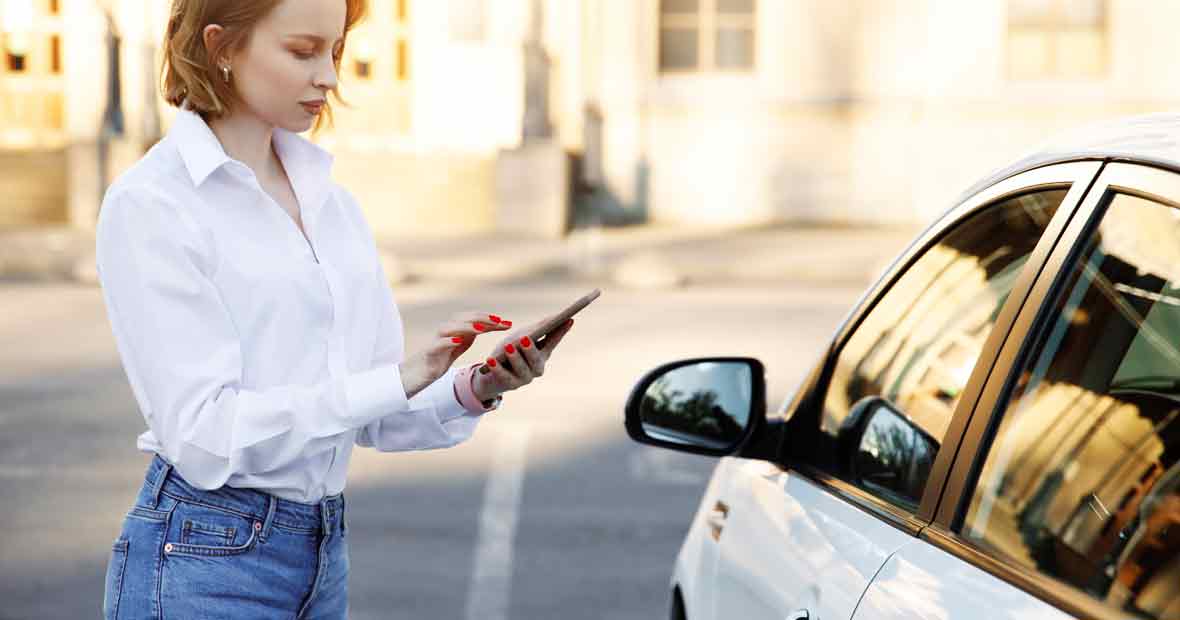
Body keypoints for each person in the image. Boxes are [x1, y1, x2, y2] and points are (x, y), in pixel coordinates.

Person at [96, 0, 575, 617]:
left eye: (336, 50)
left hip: (322, 556)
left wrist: (473, 385)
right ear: (221, 47)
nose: (329, 75)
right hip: (200, 558)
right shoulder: (152, 205)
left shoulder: (333, 204)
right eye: (302, 51)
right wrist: (392, 381)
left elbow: (369, 413)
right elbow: (204, 434)